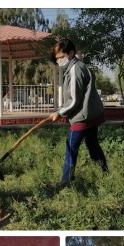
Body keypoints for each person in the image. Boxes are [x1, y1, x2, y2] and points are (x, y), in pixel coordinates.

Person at [48, 38, 108, 188]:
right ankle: (105, 174)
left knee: (70, 147)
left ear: (71, 53)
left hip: (83, 117)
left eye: (61, 57)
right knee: (92, 145)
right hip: (91, 114)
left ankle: (65, 182)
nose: (59, 61)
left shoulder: (75, 69)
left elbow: (74, 100)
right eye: (57, 59)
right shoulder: (76, 67)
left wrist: (59, 112)